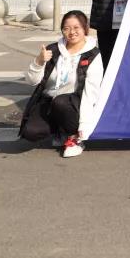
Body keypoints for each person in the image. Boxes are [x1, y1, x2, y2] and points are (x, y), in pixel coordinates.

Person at [20, 10, 102, 158]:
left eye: (76, 27)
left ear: (85, 29)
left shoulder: (93, 55)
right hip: (50, 101)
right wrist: (39, 61)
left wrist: (84, 126)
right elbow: (32, 81)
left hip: (73, 104)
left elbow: (90, 94)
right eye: (66, 28)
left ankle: (73, 138)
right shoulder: (53, 50)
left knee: (61, 102)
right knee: (31, 133)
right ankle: (60, 129)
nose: (72, 32)